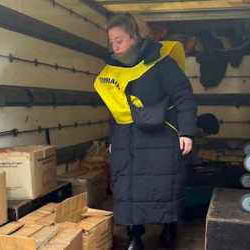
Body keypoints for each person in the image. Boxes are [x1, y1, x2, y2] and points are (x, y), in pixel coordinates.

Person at [94, 13, 197, 250]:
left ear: (135, 36)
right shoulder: (113, 70)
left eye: (119, 40)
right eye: (112, 42)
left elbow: (184, 97)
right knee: (127, 187)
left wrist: (187, 132)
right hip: (126, 138)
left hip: (160, 136)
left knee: (163, 187)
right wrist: (113, 138)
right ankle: (134, 236)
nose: (115, 47)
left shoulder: (162, 63)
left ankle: (168, 225)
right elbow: (114, 108)